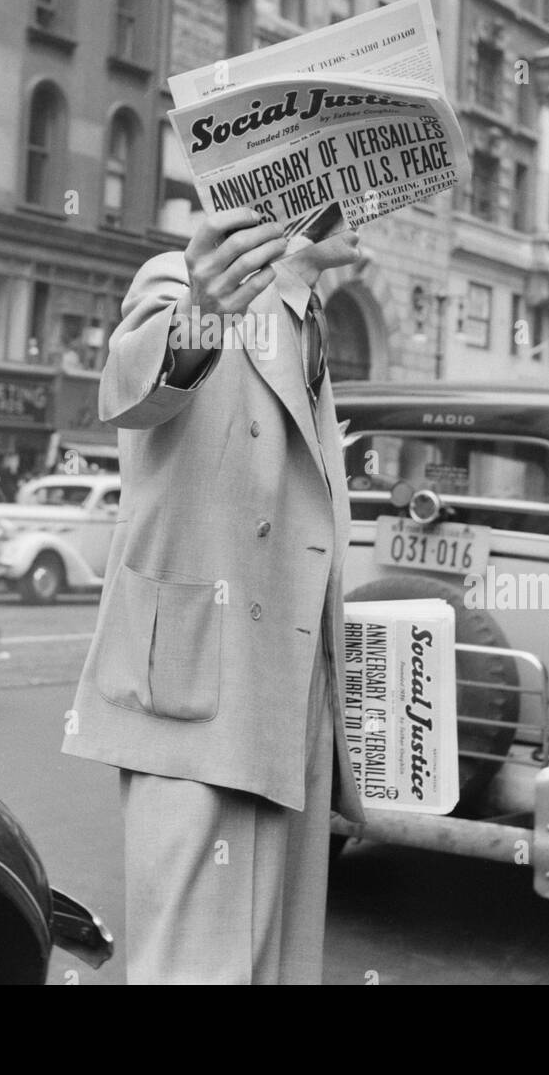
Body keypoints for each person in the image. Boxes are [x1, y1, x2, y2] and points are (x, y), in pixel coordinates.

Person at [62, 206, 366, 985]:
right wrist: (201, 311)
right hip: (195, 692)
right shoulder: (185, 279)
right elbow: (130, 391)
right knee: (195, 969)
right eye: (348, 195)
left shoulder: (308, 316)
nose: (365, 217)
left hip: (285, 698)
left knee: (271, 966)